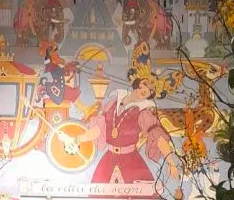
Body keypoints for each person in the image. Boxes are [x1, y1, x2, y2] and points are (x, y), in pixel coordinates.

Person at [78, 42, 183, 185]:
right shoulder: (113, 103)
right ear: (138, 82)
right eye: (146, 84)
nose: (146, 89)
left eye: (151, 89)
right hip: (108, 160)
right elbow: (97, 130)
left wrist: (171, 162)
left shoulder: (144, 112)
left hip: (132, 162)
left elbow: (158, 137)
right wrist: (78, 139)